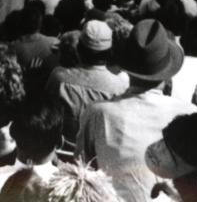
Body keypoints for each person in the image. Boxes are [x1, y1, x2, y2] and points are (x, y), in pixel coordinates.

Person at [76, 19, 190, 202]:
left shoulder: (97, 113)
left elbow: (82, 174)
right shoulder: (190, 113)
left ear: (127, 69)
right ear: (167, 72)